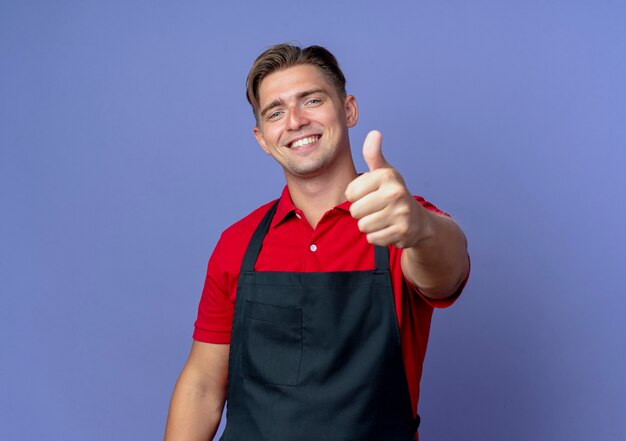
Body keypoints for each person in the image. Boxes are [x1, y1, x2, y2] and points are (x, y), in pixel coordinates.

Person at [164, 43, 469, 441]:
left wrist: (421, 229)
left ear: (349, 110)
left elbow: (448, 272)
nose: (294, 121)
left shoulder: (398, 220)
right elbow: (203, 383)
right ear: (262, 138)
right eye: (276, 112)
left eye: (311, 100)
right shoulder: (237, 243)